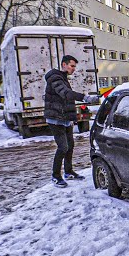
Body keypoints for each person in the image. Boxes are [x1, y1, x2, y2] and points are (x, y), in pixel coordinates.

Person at [44, 55, 99, 188]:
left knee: (70, 146)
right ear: (64, 64)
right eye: (72, 66)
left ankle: (68, 172)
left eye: (74, 66)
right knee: (63, 147)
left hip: (65, 118)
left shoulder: (62, 77)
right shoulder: (55, 78)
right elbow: (66, 94)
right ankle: (55, 176)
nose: (74, 69)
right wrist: (85, 97)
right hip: (56, 119)